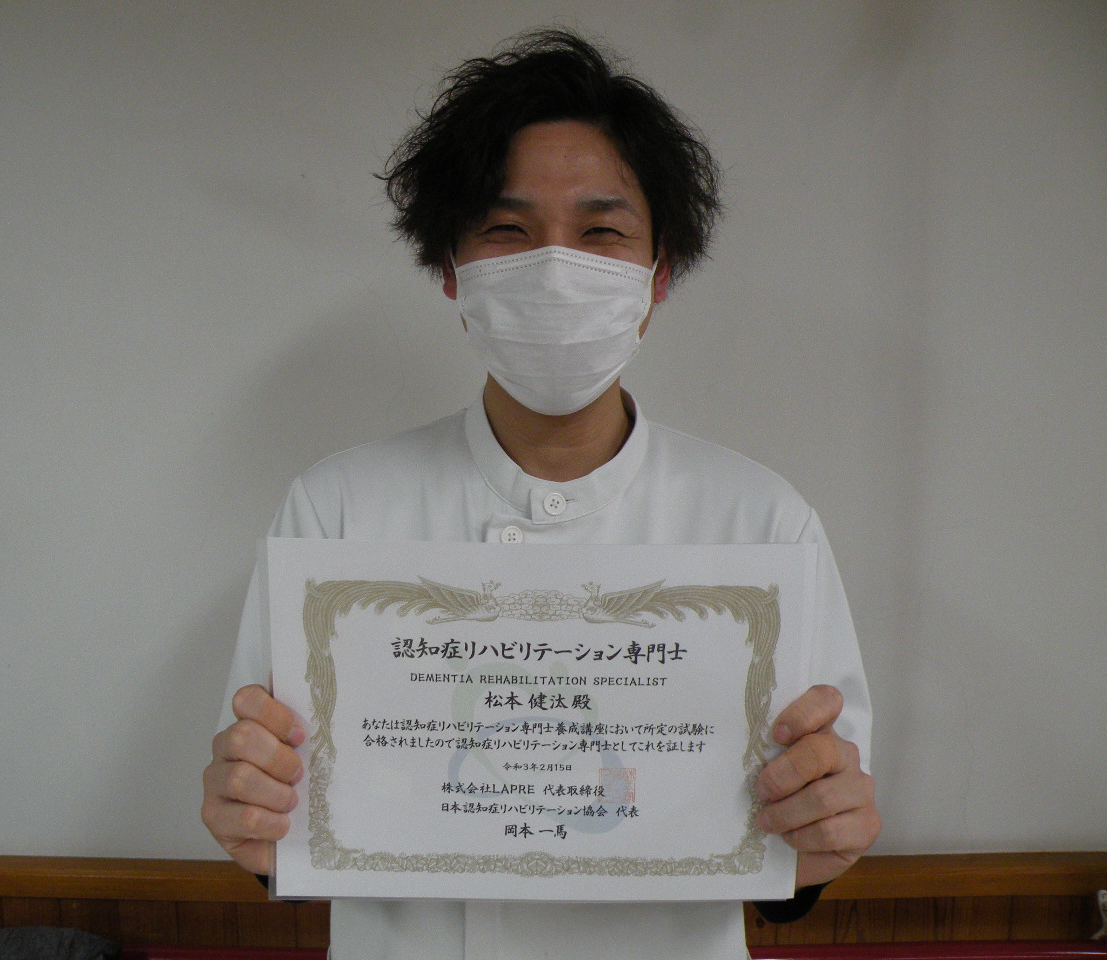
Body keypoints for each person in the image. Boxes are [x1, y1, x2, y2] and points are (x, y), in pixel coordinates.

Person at [202, 29, 880, 960]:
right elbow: (282, 824)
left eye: (601, 232)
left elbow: (802, 843)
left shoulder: (764, 523)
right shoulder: (336, 511)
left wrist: (819, 841)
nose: (555, 267)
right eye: (508, 230)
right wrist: (252, 818)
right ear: (452, 270)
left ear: (658, 275)